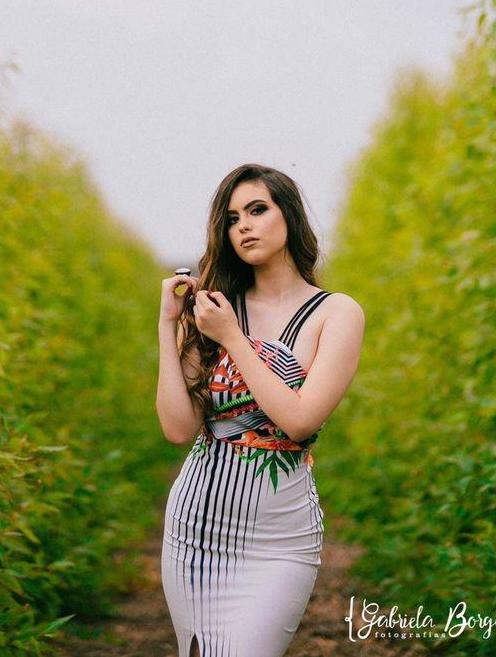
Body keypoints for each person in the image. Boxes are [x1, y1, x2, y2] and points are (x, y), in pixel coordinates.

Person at [156, 163, 365, 657]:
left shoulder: (336, 313)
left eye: (256, 210)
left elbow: (300, 421)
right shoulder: (215, 308)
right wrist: (169, 325)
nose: (244, 226)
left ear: (289, 215)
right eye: (232, 219)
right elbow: (178, 429)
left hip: (281, 538)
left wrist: (233, 338)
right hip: (195, 529)